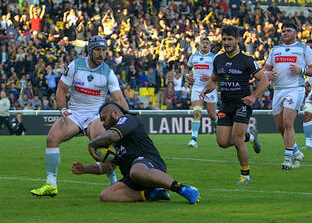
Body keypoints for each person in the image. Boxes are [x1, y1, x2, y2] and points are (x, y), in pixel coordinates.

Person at [31, 36, 128, 197]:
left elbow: (119, 98)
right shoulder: (75, 65)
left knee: (101, 147)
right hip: (75, 112)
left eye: (104, 51)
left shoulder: (108, 73)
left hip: (96, 115)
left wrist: (127, 119)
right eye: (98, 50)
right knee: (52, 138)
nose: (101, 54)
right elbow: (61, 89)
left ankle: (114, 183)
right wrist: (63, 109)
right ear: (90, 51)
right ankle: (51, 184)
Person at [72, 102, 200, 204]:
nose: (103, 123)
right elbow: (108, 166)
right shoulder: (111, 141)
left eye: (104, 119)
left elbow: (114, 135)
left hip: (150, 165)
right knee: (106, 195)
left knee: (136, 170)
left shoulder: (127, 119)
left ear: (115, 113)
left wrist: (92, 143)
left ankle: (182, 188)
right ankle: (151, 194)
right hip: (133, 178)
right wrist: (85, 169)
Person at [200, 26, 269, 185]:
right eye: (224, 39)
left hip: (242, 104)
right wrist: (206, 89)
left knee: (236, 139)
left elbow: (264, 79)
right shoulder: (218, 59)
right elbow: (214, 79)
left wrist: (253, 96)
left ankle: (245, 176)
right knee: (223, 142)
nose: (226, 42)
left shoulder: (247, 59)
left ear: (237, 40)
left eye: (230, 39)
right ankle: (250, 137)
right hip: (226, 105)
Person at [263, 21, 312, 169]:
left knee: (288, 122)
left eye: (288, 31)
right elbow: (265, 69)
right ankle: (296, 152)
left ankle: (287, 158)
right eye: (283, 31)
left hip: (295, 88)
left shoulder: (303, 49)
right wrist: (267, 73)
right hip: (278, 89)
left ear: (295, 33)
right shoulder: (275, 50)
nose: (285, 33)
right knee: (281, 126)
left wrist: (301, 70)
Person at [186, 37, 217, 148]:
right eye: (203, 43)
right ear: (199, 45)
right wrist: (187, 77)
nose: (205, 45)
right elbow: (187, 69)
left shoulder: (214, 58)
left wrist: (209, 77)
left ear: (210, 46)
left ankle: (217, 129)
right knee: (197, 111)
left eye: (207, 43)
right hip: (197, 88)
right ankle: (193, 140)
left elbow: (218, 75)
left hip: (210, 89)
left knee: (212, 115)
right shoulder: (193, 57)